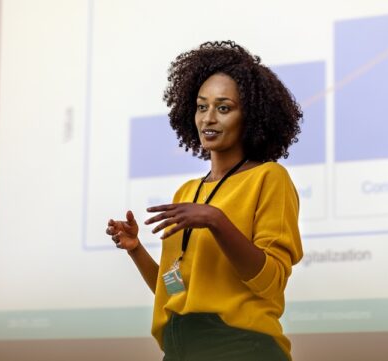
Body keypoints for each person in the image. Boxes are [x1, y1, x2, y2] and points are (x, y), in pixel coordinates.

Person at [106, 40, 304, 361]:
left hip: (239, 345)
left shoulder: (269, 178)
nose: (208, 118)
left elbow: (270, 282)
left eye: (223, 108)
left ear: (250, 117)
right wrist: (136, 250)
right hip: (181, 345)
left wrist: (216, 220)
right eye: (201, 107)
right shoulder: (187, 192)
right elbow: (177, 291)